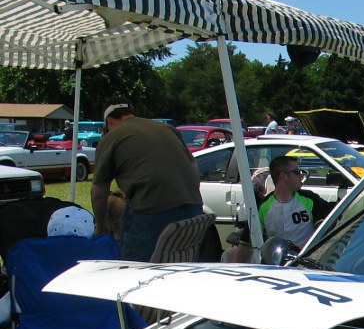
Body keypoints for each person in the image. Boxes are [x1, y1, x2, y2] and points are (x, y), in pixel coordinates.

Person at [91, 97, 202, 262]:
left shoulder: (112, 137)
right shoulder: (166, 128)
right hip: (194, 210)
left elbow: (99, 191)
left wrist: (101, 227)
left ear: (108, 121)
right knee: (181, 265)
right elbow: (194, 167)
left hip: (151, 212)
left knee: (135, 270)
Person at [229, 155, 331, 262]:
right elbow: (245, 245)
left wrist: (304, 249)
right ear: (283, 176)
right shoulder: (262, 207)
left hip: (309, 260)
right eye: (297, 172)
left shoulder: (310, 199)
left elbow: (324, 230)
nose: (301, 176)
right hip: (277, 265)